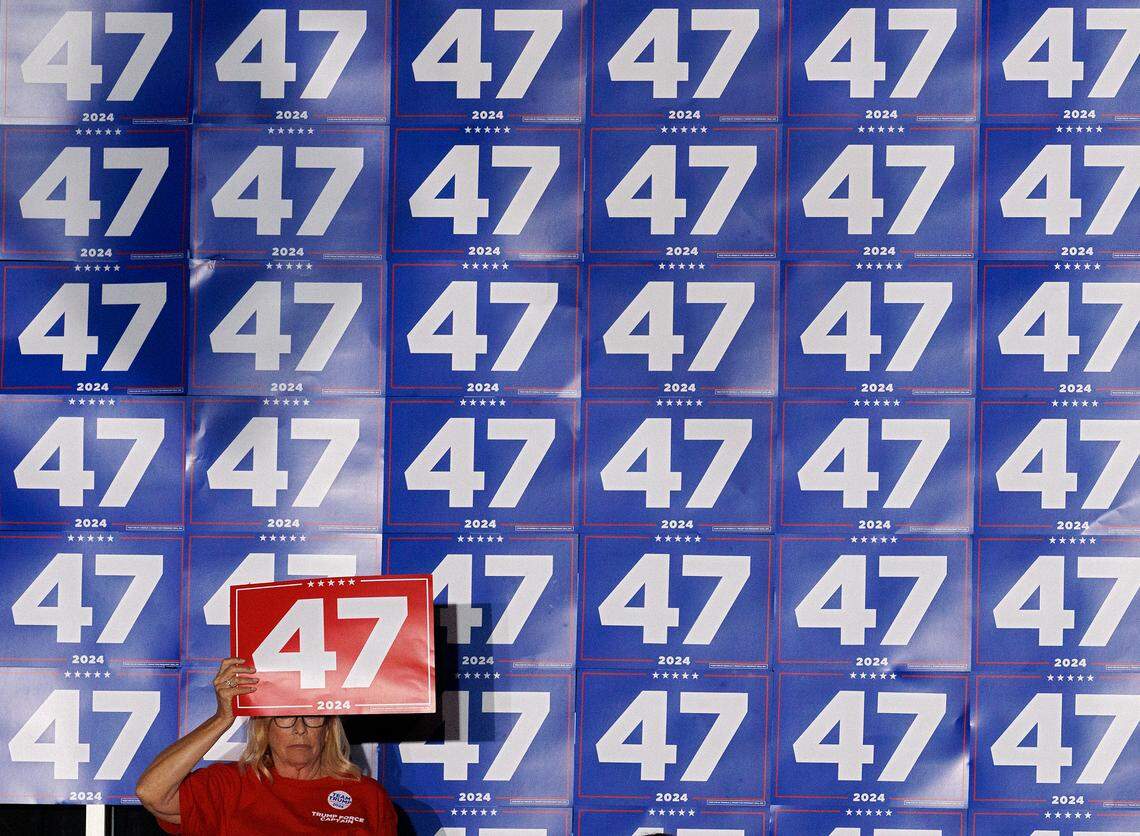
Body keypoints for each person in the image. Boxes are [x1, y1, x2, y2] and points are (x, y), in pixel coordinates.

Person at [136, 657, 397, 834]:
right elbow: (152, 793)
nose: (299, 727)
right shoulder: (230, 786)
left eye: (312, 716)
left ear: (329, 728)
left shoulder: (367, 796)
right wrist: (222, 718)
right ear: (265, 729)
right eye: (284, 716)